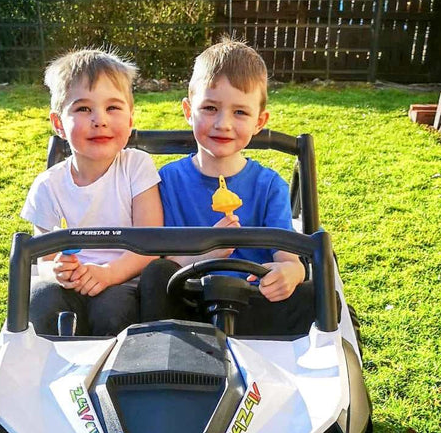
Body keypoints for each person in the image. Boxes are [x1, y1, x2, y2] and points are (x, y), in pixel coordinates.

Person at [139, 37, 314, 335]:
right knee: (155, 275)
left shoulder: (269, 185)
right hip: (187, 305)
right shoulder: (165, 181)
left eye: (240, 112)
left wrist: (291, 272)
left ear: (260, 121)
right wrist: (207, 253)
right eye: (209, 108)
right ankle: (162, 358)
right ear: (188, 110)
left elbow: (288, 258)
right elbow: (162, 261)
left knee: (320, 296)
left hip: (254, 304)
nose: (223, 123)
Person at [21, 48, 163, 336]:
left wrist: (108, 275)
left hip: (122, 280)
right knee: (40, 300)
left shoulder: (136, 166)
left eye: (113, 108)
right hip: (71, 283)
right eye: (83, 109)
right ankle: (54, 371)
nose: (100, 119)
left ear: (130, 118)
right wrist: (59, 270)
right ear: (59, 123)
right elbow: (44, 259)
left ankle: (112, 376)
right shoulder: (48, 185)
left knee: (112, 310)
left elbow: (151, 244)